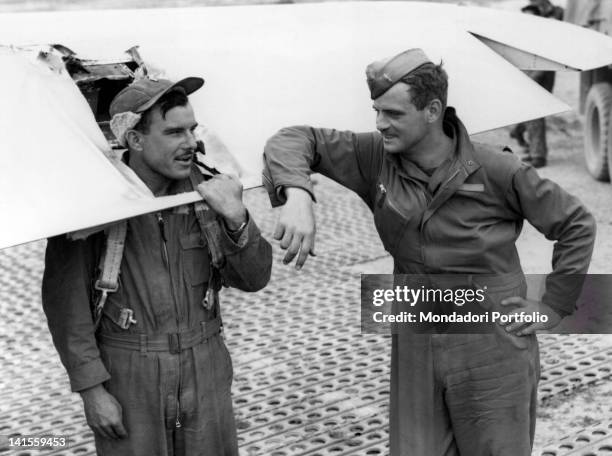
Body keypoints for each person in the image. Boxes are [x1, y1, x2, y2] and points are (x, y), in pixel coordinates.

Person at [262, 49, 595, 455]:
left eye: (394, 114)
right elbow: (293, 138)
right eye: (377, 111)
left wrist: (555, 305)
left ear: (433, 110)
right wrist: (297, 193)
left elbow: (576, 224)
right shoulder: (375, 159)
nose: (380, 123)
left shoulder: (497, 170)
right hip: (416, 326)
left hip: (490, 339)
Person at [42, 76, 273, 456]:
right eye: (174, 132)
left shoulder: (209, 190)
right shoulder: (94, 203)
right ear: (135, 139)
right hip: (130, 373)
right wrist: (92, 390)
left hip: (206, 364)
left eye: (192, 129)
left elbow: (255, 279)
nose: (191, 143)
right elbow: (66, 307)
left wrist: (237, 219)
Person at [509, 0, 564, 167]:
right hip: (527, 81)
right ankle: (521, 136)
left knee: (535, 116)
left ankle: (538, 156)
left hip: (540, 80)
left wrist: (532, 78)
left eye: (531, 18)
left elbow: (546, 63)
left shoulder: (545, 36)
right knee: (526, 116)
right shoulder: (523, 36)